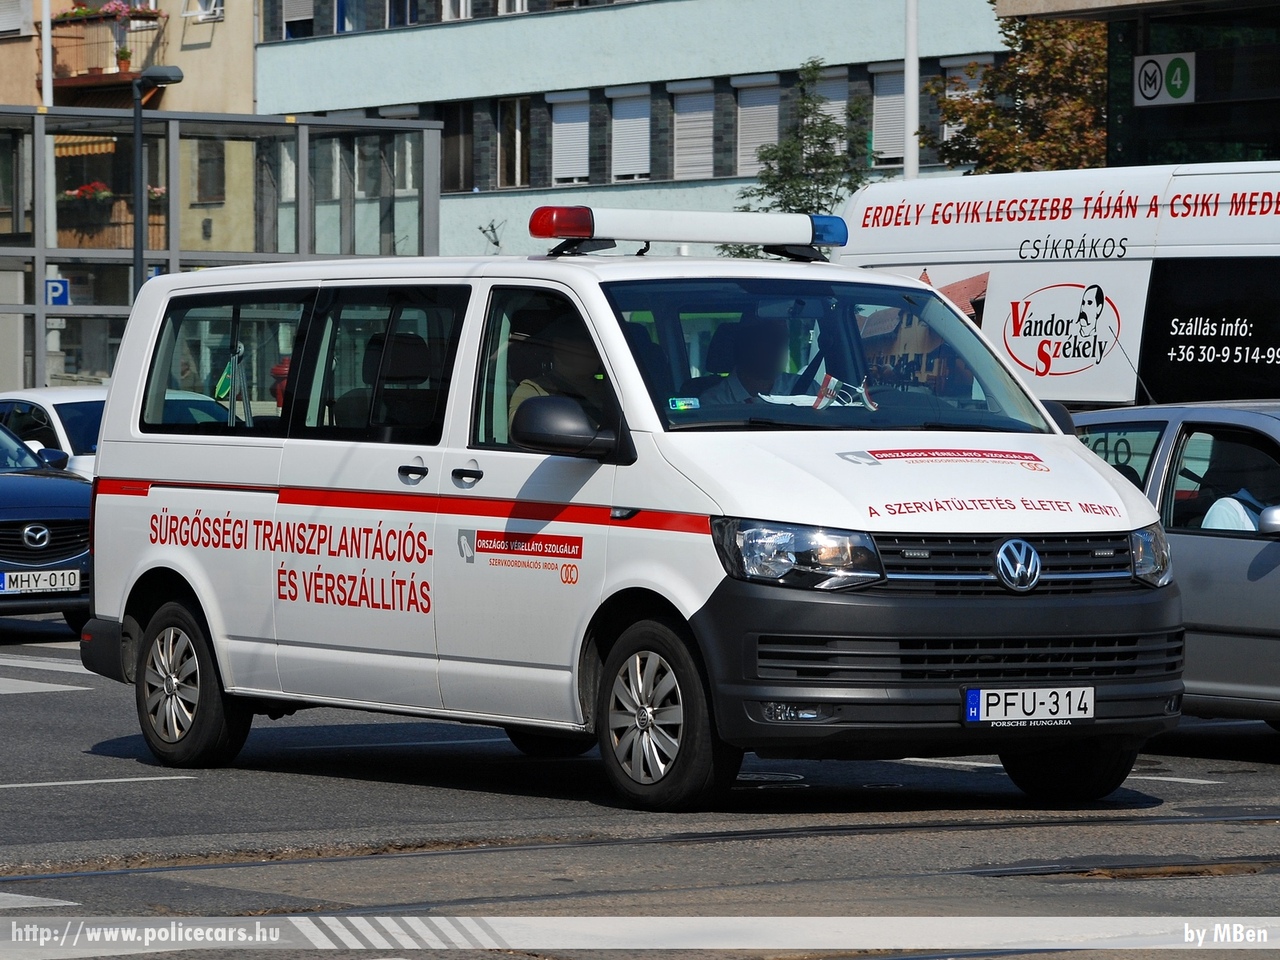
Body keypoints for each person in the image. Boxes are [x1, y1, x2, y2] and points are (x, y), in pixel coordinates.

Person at [508, 315, 610, 430]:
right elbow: (522, 433)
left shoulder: (611, 390)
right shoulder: (533, 391)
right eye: (585, 340)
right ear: (559, 345)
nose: (595, 348)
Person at [700, 315, 803, 404]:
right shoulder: (714, 404)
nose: (778, 348)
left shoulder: (807, 390)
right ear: (745, 344)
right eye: (768, 339)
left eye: (783, 339)